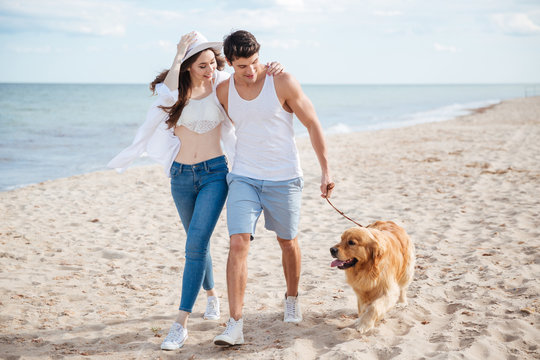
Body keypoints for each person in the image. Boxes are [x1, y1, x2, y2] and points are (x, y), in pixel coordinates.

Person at [107, 31, 283, 351]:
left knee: (195, 246)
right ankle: (212, 296)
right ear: (188, 66)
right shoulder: (175, 92)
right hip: (180, 177)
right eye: (202, 65)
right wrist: (178, 53)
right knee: (196, 243)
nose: (210, 70)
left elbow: (251, 80)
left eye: (213, 63)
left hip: (215, 175)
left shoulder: (221, 86)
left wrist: (273, 71)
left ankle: (180, 324)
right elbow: (166, 90)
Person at [212, 30, 334, 347]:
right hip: (244, 176)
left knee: (287, 242)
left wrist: (325, 170)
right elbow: (203, 111)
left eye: (254, 62)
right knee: (238, 243)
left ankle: (291, 297)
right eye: (242, 66)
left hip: (284, 177)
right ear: (229, 63)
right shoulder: (224, 90)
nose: (251, 71)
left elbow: (312, 122)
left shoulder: (281, 81)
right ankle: (235, 324)